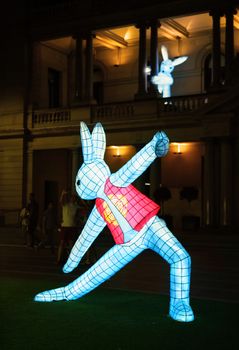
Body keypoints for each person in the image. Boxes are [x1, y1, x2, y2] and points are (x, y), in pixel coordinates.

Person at [57, 191, 79, 265]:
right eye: (72, 198)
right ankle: (59, 259)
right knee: (62, 243)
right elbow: (61, 202)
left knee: (71, 244)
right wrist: (63, 194)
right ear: (70, 198)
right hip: (64, 226)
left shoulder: (76, 206)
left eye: (74, 198)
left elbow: (84, 207)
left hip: (72, 226)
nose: (73, 199)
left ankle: (70, 260)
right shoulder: (66, 205)